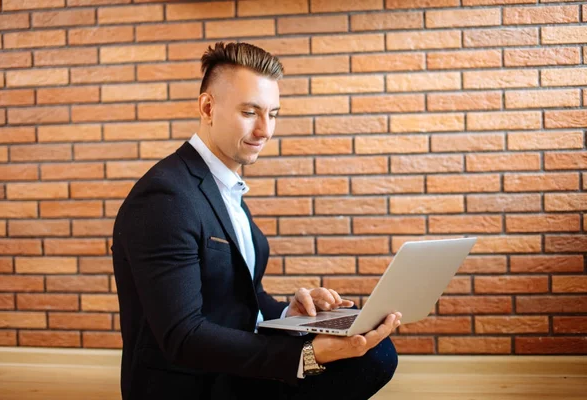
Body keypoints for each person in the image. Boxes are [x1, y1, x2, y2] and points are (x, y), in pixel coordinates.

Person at [112, 41, 401, 400]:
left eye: (273, 113)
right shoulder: (165, 198)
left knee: (365, 337)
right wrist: (305, 355)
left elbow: (240, 294)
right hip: (194, 382)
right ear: (207, 107)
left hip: (233, 362)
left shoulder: (224, 188)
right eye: (251, 112)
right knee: (368, 358)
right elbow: (182, 335)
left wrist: (289, 313)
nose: (265, 130)